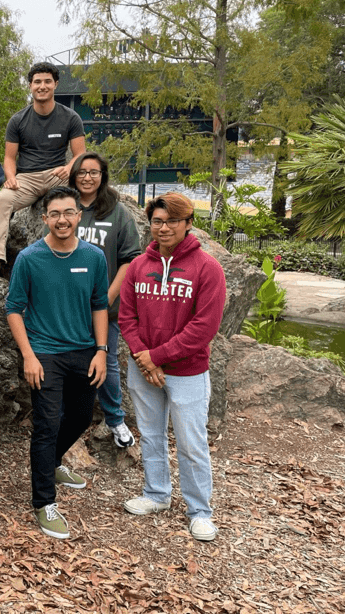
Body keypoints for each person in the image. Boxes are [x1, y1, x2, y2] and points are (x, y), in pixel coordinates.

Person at [118, 192, 226, 542]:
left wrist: (156, 357)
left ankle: (199, 511)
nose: (163, 228)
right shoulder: (138, 266)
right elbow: (127, 316)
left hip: (188, 371)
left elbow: (204, 328)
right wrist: (143, 358)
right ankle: (156, 494)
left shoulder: (207, 268)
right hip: (143, 367)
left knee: (191, 442)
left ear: (188, 223)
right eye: (157, 222)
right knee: (150, 434)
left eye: (171, 222)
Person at [6, 186, 109, 540]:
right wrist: (29, 356)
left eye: (69, 213)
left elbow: (100, 305)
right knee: (47, 425)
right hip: (45, 352)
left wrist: (101, 350)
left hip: (85, 350)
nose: (62, 220)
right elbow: (14, 310)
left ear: (79, 215)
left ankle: (53, 462)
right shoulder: (30, 259)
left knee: (81, 416)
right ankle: (43, 501)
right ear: (45, 217)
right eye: (55, 214)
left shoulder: (94, 257)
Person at [65, 152, 141, 448]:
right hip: (67, 305)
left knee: (106, 360)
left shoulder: (117, 212)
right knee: (66, 362)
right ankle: (66, 419)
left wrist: (105, 299)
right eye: (81, 172)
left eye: (93, 172)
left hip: (105, 308)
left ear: (103, 175)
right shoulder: (66, 207)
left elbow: (129, 259)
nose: (87, 177)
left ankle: (115, 419)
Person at [0, 62, 86, 275]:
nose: (42, 86)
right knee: (2, 200)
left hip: (57, 176)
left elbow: (80, 155)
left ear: (56, 84)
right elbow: (8, 157)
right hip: (27, 178)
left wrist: (70, 167)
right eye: (37, 82)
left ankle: (75, 250)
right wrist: (10, 177)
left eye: (47, 82)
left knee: (82, 195)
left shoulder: (71, 117)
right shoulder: (18, 120)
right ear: (31, 86)